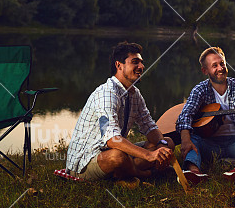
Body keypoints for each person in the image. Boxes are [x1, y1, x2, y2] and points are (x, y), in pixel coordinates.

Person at [66, 42, 174, 185]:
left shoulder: (135, 93)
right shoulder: (107, 94)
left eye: (141, 63)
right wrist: (149, 156)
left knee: (168, 143)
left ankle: (125, 173)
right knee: (118, 157)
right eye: (135, 62)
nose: (141, 67)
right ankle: (145, 174)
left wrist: (160, 146)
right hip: (85, 161)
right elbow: (112, 140)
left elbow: (149, 126)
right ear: (119, 65)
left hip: (113, 150)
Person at [176, 47, 235, 184]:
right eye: (214, 66)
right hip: (209, 144)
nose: (220, 68)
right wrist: (185, 139)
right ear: (205, 71)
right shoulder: (200, 90)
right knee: (192, 137)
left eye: (222, 63)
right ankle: (193, 171)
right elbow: (185, 115)